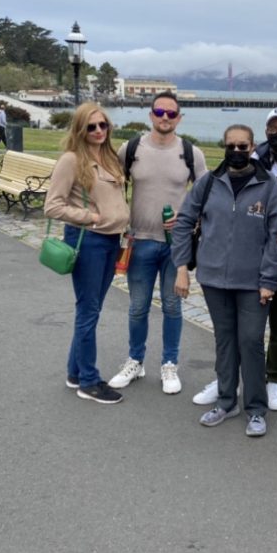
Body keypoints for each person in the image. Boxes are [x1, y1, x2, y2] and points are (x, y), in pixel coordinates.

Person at [171, 124, 277, 437]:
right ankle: (225, 400)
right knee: (224, 341)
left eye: (243, 146)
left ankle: (256, 408)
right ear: (224, 146)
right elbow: (184, 223)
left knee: (250, 341)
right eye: (231, 146)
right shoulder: (208, 183)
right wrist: (182, 266)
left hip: (253, 282)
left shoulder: (268, 185)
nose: (237, 151)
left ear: (252, 147)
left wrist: (269, 281)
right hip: (213, 278)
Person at [109, 91, 207, 395]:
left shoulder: (191, 153)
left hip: (176, 245)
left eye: (171, 114)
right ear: (151, 114)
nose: (165, 118)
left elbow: (205, 196)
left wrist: (185, 215)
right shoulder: (132, 148)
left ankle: (169, 364)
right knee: (137, 308)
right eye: (160, 112)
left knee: (172, 307)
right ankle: (135, 362)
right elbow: (113, 185)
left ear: (179, 118)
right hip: (139, 241)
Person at [44, 103, 130, 404]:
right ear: (80, 129)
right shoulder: (71, 160)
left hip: (111, 241)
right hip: (89, 241)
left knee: (91, 309)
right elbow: (52, 205)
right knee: (88, 310)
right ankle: (89, 381)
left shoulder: (109, 157)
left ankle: (75, 372)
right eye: (91, 126)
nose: (98, 131)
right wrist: (90, 217)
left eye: (102, 125)